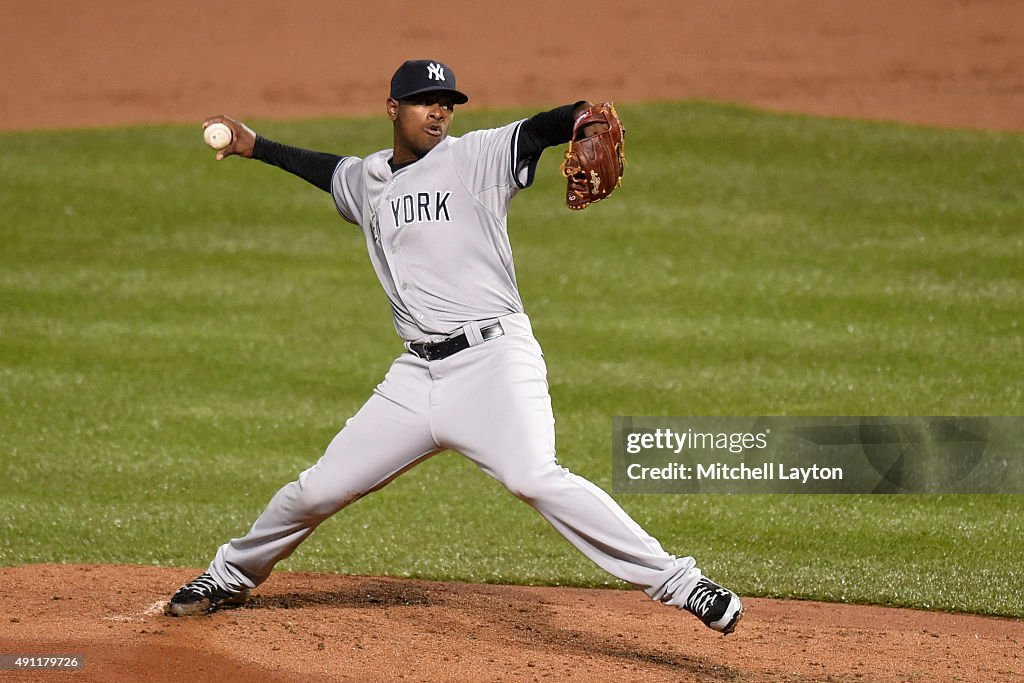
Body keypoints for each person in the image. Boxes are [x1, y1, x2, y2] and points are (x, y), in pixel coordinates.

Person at [165, 59, 743, 635]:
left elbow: (543, 126)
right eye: (423, 100)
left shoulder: (475, 158)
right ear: (393, 109)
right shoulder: (366, 179)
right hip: (415, 378)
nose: (438, 110)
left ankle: (680, 582)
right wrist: (253, 144)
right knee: (317, 489)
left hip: (494, 360)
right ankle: (228, 575)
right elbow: (325, 169)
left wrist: (584, 122)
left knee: (535, 477)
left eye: (446, 101)